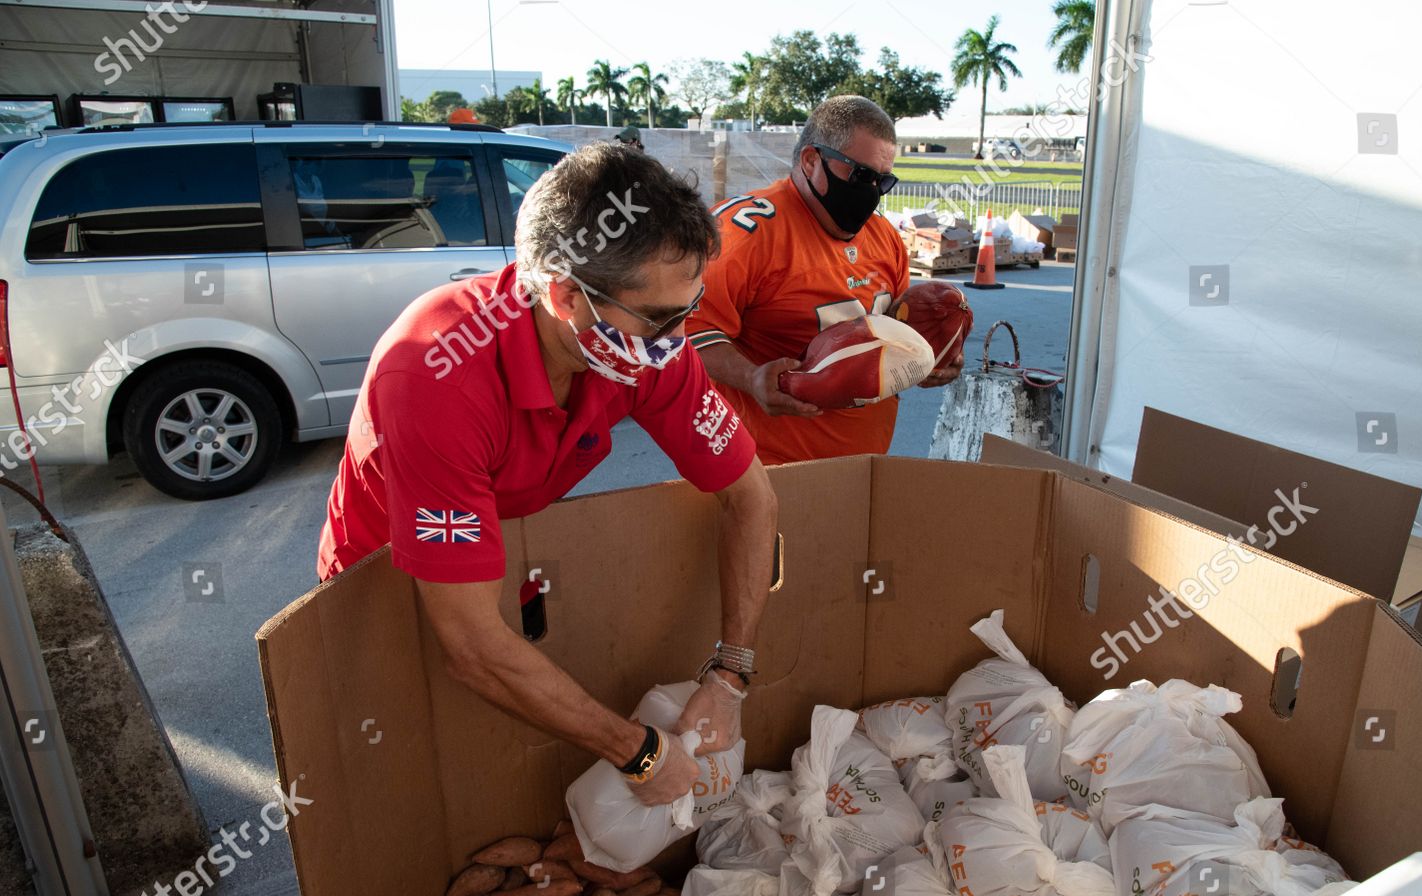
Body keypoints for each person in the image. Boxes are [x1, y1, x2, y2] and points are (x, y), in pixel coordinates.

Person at [317, 142, 777, 805]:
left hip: (492, 541)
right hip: (382, 577)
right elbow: (472, 647)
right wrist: (639, 753)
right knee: (405, 782)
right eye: (658, 319)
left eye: (689, 312)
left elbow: (752, 499)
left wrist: (731, 674)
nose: (676, 341)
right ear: (565, 295)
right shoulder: (435, 374)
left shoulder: (645, 349)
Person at [685, 96, 963, 466]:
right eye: (862, 175)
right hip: (764, 465)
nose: (872, 191)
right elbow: (686, 333)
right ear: (811, 160)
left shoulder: (885, 238)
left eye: (883, 180)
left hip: (865, 462)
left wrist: (932, 355)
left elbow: (896, 332)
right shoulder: (746, 233)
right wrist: (751, 377)